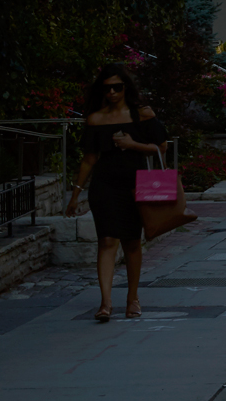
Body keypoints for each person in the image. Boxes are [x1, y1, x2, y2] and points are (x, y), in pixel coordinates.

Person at [66, 65, 168, 322]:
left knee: (132, 242)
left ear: (126, 88)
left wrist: (132, 144)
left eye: (117, 87)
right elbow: (89, 159)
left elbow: (162, 147)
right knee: (107, 241)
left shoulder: (142, 115)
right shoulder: (96, 119)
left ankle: (132, 298)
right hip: (104, 185)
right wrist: (76, 193)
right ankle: (105, 302)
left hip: (136, 184)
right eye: (107, 87)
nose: (112, 92)